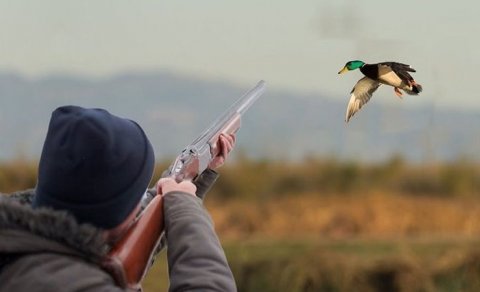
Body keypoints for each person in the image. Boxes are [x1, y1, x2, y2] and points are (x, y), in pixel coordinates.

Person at [0, 105, 237, 291]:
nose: (142, 203)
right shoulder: (75, 284)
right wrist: (186, 209)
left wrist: (194, 175)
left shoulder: (26, 252)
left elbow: (131, 239)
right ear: (115, 213)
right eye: (139, 195)